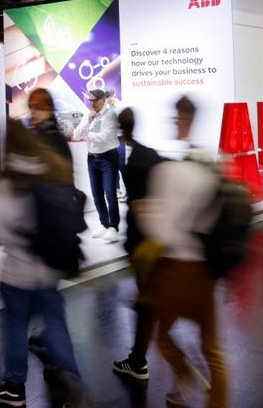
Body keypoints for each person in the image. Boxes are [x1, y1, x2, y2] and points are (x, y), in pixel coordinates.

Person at [0, 120, 83, 408]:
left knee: (15, 328)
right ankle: (72, 378)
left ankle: (15, 387)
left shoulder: (9, 183)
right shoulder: (51, 171)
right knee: (56, 324)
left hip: (17, 274)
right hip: (49, 269)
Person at [138, 96, 228, 408]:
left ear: (181, 119)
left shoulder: (168, 172)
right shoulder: (213, 169)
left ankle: (184, 378)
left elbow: (162, 231)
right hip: (206, 270)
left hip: (175, 269)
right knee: (212, 348)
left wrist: (145, 212)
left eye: (175, 118)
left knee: (163, 337)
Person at [112, 107, 164, 381]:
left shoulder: (132, 161)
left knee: (148, 303)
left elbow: (137, 206)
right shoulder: (149, 154)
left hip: (142, 241)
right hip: (154, 238)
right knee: (148, 301)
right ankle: (138, 359)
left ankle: (138, 360)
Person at [74, 89, 121, 243]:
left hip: (108, 158)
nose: (92, 103)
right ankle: (105, 224)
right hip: (92, 158)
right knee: (97, 194)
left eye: (94, 100)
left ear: (103, 100)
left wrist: (87, 135)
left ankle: (114, 227)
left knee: (110, 193)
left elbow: (105, 137)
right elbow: (76, 134)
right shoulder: (89, 115)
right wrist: (88, 121)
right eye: (90, 100)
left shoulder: (110, 114)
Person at [27, 88, 72, 161]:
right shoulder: (28, 135)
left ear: (49, 109)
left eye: (38, 107)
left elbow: (66, 166)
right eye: (30, 106)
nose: (33, 111)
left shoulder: (58, 139)